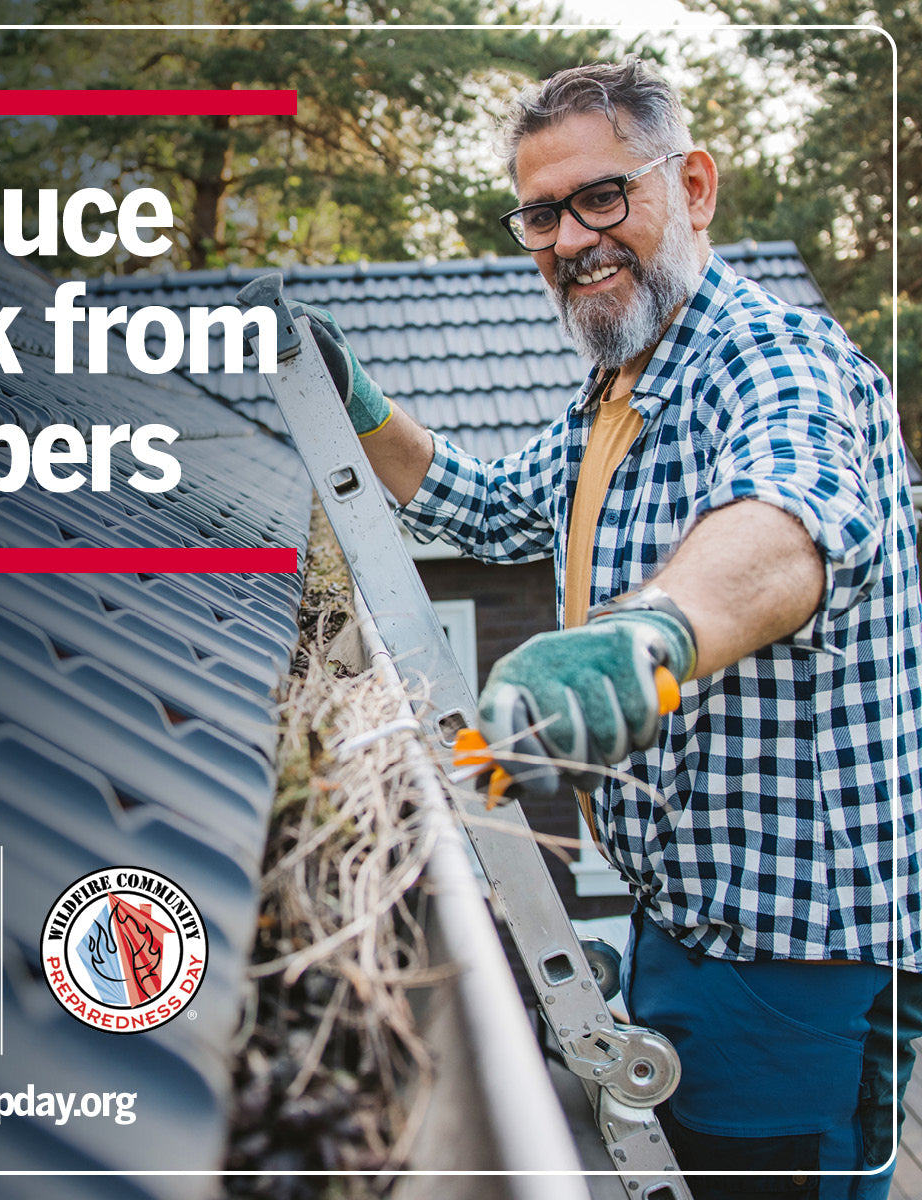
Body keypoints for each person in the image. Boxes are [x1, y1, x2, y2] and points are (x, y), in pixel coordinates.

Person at [297, 58, 922, 1199]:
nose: (572, 237)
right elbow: (485, 508)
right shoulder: (620, 387)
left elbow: (790, 520)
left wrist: (651, 640)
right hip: (685, 921)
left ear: (692, 186)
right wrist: (361, 403)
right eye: (542, 212)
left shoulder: (776, 361)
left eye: (603, 196)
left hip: (803, 956)